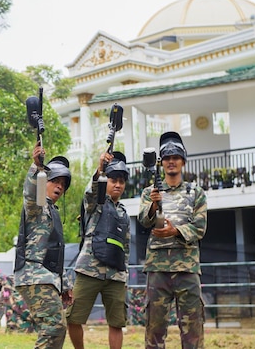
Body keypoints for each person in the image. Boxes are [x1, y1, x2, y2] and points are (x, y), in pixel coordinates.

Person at [138, 132, 207, 349]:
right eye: (166, 158)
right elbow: (143, 220)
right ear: (161, 163)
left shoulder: (196, 192)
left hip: (187, 268)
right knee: (154, 328)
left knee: (192, 329)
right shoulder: (150, 192)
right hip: (158, 269)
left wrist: (174, 231)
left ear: (183, 161)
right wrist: (152, 204)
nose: (171, 162)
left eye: (175, 157)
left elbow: (200, 227)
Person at [67, 150, 131, 349]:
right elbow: (91, 193)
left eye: (121, 181)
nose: (118, 184)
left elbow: (125, 247)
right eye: (113, 180)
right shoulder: (96, 204)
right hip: (89, 269)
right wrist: (99, 170)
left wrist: (124, 273)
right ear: (106, 181)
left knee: (117, 323)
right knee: (73, 317)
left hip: (116, 275)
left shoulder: (124, 213)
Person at [14, 141, 73, 348]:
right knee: (53, 327)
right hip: (34, 275)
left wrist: (64, 284)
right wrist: (37, 167)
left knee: (56, 328)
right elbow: (30, 194)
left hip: (47, 277)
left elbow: (54, 254)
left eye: (63, 184)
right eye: (54, 181)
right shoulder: (38, 205)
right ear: (43, 182)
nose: (59, 186)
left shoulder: (53, 212)